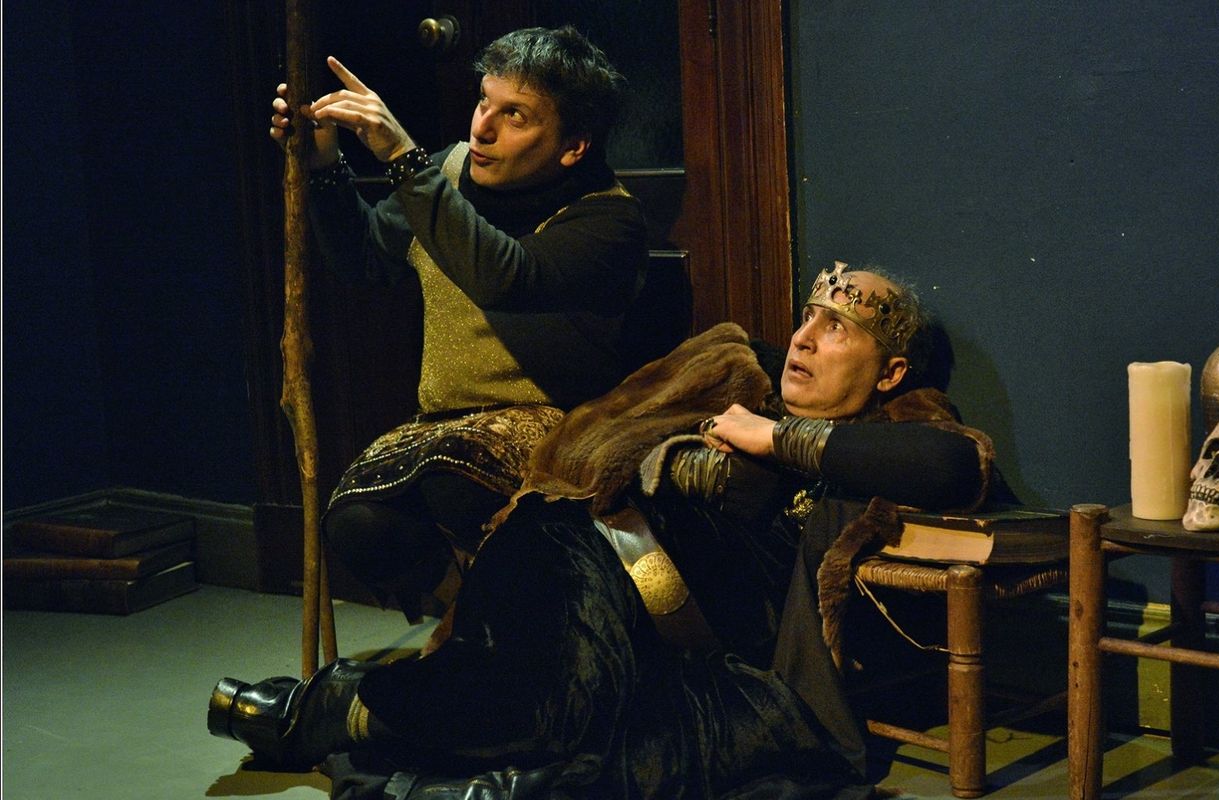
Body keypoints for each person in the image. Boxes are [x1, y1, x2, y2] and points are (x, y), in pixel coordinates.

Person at [209, 263, 1005, 799]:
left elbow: (953, 465)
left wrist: (775, 441)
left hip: (682, 638)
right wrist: (682, 458)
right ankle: (343, 714)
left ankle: (359, 719)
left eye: (837, 329)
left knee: (645, 731)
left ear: (890, 371)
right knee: (560, 685)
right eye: (808, 317)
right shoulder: (736, 369)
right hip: (575, 545)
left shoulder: (898, 425)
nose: (804, 338)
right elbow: (592, 443)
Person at [270, 26, 658, 621]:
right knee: (358, 523)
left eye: (515, 115)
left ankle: (521, 628)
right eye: (483, 101)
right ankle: (470, 619)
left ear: (573, 146)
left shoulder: (608, 223)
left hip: (565, 426)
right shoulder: (447, 173)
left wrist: (403, 158)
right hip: (445, 428)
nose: (482, 128)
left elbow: (505, 276)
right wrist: (324, 164)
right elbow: (367, 258)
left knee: (454, 483)